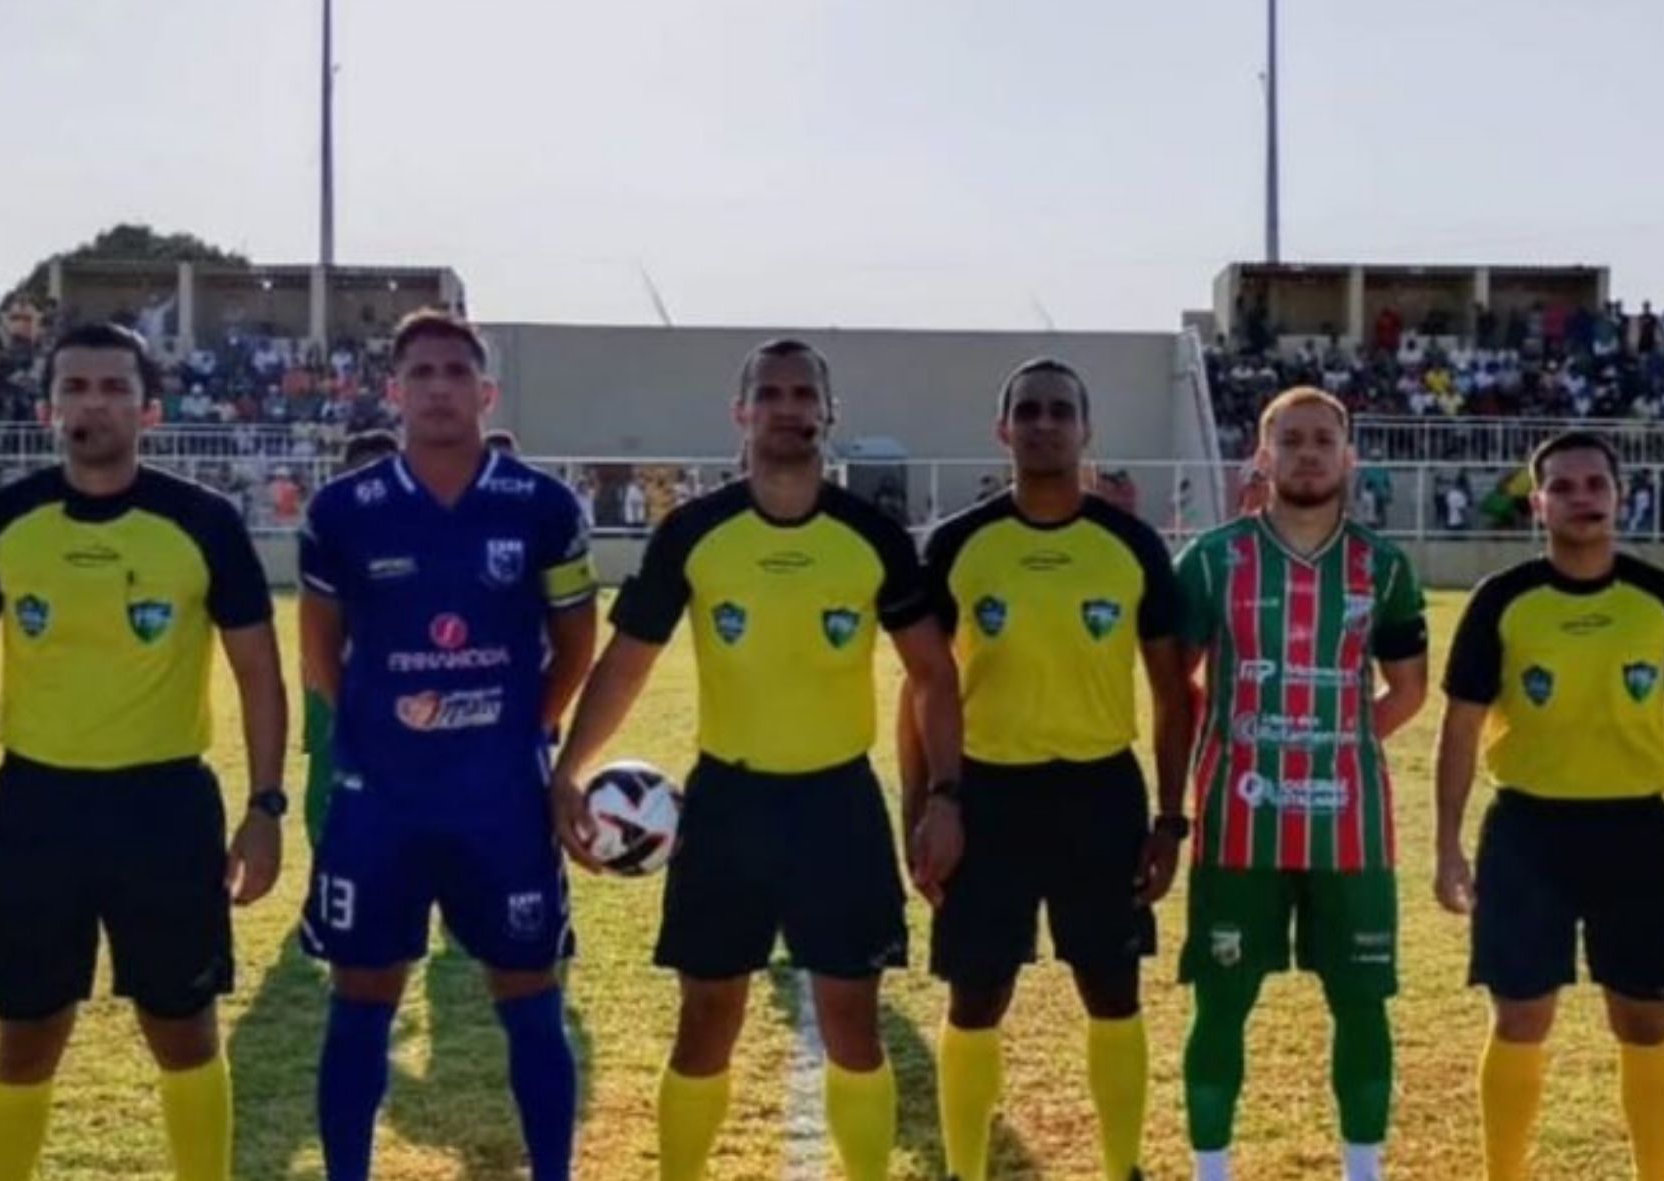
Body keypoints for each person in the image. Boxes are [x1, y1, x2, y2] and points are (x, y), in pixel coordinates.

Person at [547, 338, 963, 1181]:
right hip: (727, 806)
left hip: (838, 808)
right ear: (741, 411)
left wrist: (945, 795)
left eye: (803, 394)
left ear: (828, 413)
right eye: (769, 393)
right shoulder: (694, 531)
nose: (787, 408)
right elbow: (627, 662)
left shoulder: (873, 536)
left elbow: (933, 673)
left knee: (854, 1025)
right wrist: (567, 769)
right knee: (705, 1020)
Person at [0, 322, 287, 1181]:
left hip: (164, 809)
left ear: (150, 410)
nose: (96, 403)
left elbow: (259, 676)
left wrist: (266, 807)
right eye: (77, 387)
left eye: (116, 387)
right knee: (26, 1034)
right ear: (48, 407)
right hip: (36, 809)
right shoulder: (6, 518)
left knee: (184, 1029)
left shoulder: (202, 522)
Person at [298, 310, 598, 1181]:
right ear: (394, 391)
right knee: (361, 999)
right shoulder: (342, 510)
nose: (438, 388)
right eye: (421, 373)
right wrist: (378, 730)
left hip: (500, 800)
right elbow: (320, 653)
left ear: (485, 392)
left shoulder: (543, 506)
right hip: (380, 801)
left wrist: (525, 728)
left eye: (456, 373)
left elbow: (575, 643)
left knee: (531, 996)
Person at [904, 358, 1192, 1181]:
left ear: (1085, 429)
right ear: (1003, 429)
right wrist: (923, 805)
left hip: (1100, 794)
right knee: (976, 994)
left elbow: (1173, 693)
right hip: (985, 795)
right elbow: (923, 686)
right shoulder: (957, 543)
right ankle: (965, 1170)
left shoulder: (1132, 544)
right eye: (1027, 411)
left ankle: (1123, 1167)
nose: (1043, 424)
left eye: (1060, 411)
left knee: (1112, 988)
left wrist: (1170, 819)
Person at [1173, 386, 1429, 1181]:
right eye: (1291, 440)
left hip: (1350, 828)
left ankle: (1363, 1169)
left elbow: (1409, 688)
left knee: (1361, 1000)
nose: (1308, 453)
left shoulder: (1383, 565)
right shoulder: (1211, 558)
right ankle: (1212, 1170)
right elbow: (1174, 682)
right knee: (1221, 1001)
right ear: (1263, 455)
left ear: (1349, 456)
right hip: (1236, 823)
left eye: (1323, 439)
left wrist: (1336, 741)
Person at [1435, 431, 1664, 1181]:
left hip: (1636, 830)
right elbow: (1460, 729)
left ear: (1621, 497)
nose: (1584, 498)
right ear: (1538, 504)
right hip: (1528, 832)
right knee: (1521, 1014)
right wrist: (1447, 846)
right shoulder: (1502, 601)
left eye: (1597, 484)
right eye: (1565, 487)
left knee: (1645, 1017)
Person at [301, 428, 399, 849]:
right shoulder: (329, 533)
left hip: (408, 686)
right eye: (362, 474)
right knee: (331, 783)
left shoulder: (430, 534)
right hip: (336, 681)